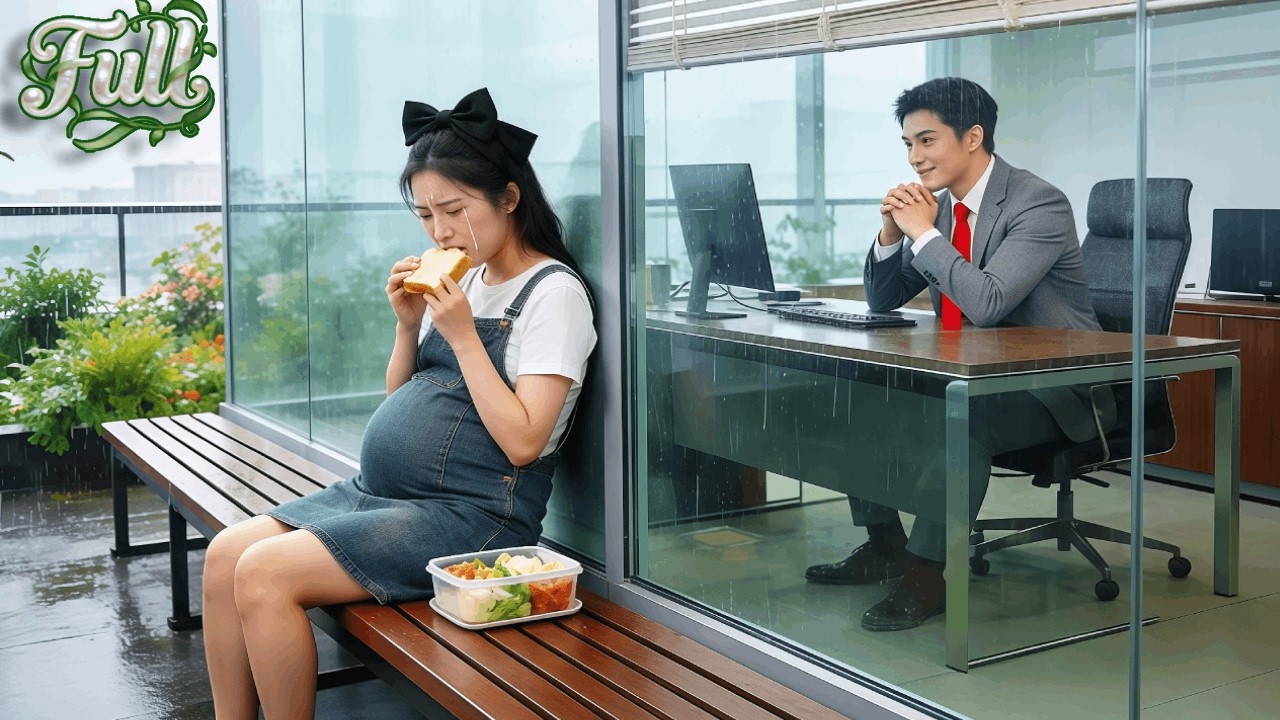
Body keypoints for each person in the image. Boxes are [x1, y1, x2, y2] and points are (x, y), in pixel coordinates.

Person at [200, 88, 597, 720]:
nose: (440, 231)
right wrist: (407, 327)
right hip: (382, 495)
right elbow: (405, 400)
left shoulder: (555, 294)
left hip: (473, 516)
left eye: (454, 210)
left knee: (265, 574)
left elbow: (525, 441)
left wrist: (464, 335)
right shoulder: (468, 277)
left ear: (509, 198)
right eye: (424, 215)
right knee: (225, 555)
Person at [804, 77, 1114, 631]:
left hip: (1056, 387)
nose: (915, 158)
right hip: (967, 371)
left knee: (960, 419)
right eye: (907, 145)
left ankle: (927, 576)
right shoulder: (939, 209)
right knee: (862, 394)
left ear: (973, 137)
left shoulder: (1037, 202)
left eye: (926, 141)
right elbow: (883, 298)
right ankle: (885, 545)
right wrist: (891, 231)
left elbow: (989, 302)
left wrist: (923, 233)